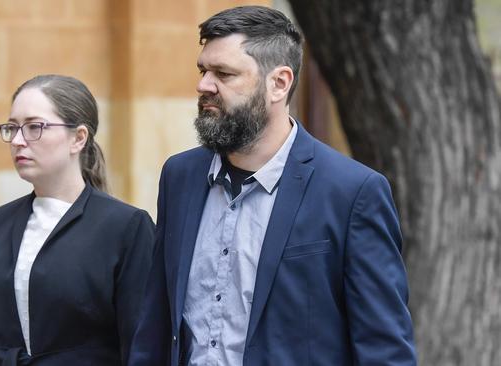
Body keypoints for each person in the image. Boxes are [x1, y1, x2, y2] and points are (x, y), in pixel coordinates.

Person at [129, 6, 416, 366]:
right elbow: (155, 321)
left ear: (279, 83)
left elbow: (384, 349)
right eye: (203, 70)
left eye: (224, 73)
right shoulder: (179, 176)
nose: (204, 85)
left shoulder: (353, 192)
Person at [0, 74, 154, 365]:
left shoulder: (126, 227)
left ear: (78, 138)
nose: (18, 141)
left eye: (34, 127)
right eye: (13, 128)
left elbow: (141, 345)